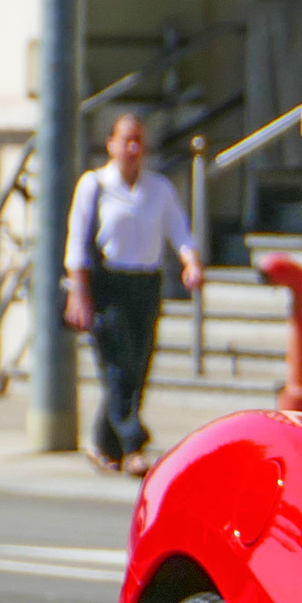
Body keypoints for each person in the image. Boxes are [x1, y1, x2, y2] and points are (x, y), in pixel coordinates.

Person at [64, 112, 202, 474]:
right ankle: (132, 447)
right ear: (110, 144)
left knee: (136, 367)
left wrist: (191, 263)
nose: (133, 148)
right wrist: (78, 293)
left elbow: (180, 230)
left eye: (139, 140)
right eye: (126, 140)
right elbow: (77, 242)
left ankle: (101, 442)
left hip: (146, 284)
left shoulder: (158, 188)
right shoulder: (94, 185)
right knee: (117, 365)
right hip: (108, 284)